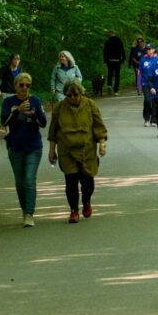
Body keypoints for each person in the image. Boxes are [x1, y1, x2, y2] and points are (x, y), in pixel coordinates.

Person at [48, 81, 108, 224]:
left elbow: (99, 125)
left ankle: (86, 201)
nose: (73, 98)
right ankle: (73, 210)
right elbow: (53, 131)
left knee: (88, 182)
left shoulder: (90, 104)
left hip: (87, 149)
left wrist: (102, 144)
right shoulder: (59, 108)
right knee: (71, 181)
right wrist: (52, 150)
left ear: (81, 93)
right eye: (69, 95)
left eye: (76, 95)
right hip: (66, 150)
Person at [1, 72, 47, 227]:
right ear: (15, 86)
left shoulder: (35, 100)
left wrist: (34, 115)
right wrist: (17, 111)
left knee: (29, 180)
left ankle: (29, 214)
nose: (24, 88)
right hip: (15, 147)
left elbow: (43, 123)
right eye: (21, 85)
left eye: (28, 85)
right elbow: (4, 122)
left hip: (33, 147)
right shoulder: (9, 102)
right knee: (20, 183)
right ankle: (24, 209)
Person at [138, 45, 158, 126]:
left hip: (155, 83)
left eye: (150, 49)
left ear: (153, 50)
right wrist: (139, 85)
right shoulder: (143, 59)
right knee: (147, 101)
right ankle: (146, 119)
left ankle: (154, 119)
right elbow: (140, 72)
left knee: (155, 101)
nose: (148, 50)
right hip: (145, 83)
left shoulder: (157, 58)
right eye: (147, 49)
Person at [103, 30, 126, 95]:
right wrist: (123, 59)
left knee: (110, 73)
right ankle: (116, 90)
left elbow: (105, 52)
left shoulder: (107, 42)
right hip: (117, 60)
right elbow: (122, 50)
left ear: (110, 34)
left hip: (110, 60)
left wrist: (105, 61)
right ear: (114, 34)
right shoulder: (119, 41)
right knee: (117, 75)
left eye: (108, 34)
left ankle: (109, 85)